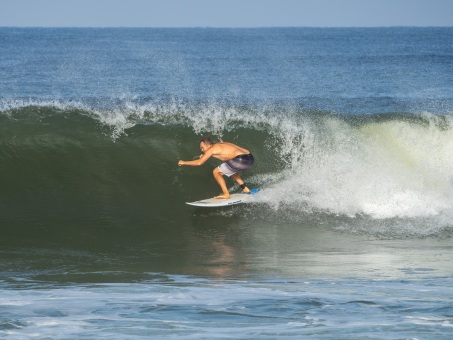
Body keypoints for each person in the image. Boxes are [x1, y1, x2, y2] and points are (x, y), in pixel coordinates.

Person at [178, 137, 255, 199]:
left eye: (202, 147)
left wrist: (183, 162)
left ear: (207, 145)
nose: (202, 150)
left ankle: (226, 194)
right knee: (228, 169)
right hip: (250, 158)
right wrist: (206, 155)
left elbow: (199, 162)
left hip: (240, 160)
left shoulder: (211, 149)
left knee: (216, 172)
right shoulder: (219, 145)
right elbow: (221, 153)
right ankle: (245, 188)